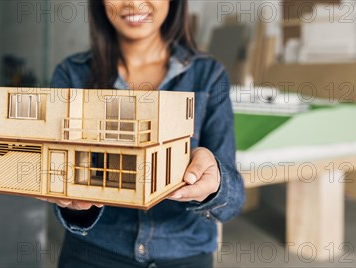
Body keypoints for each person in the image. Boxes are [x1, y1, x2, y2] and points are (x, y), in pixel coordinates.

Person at [41, 1, 245, 267]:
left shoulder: (208, 75)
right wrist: (73, 203)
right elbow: (60, 189)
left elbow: (234, 199)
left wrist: (215, 183)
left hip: (184, 252)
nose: (134, 3)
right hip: (94, 251)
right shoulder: (72, 74)